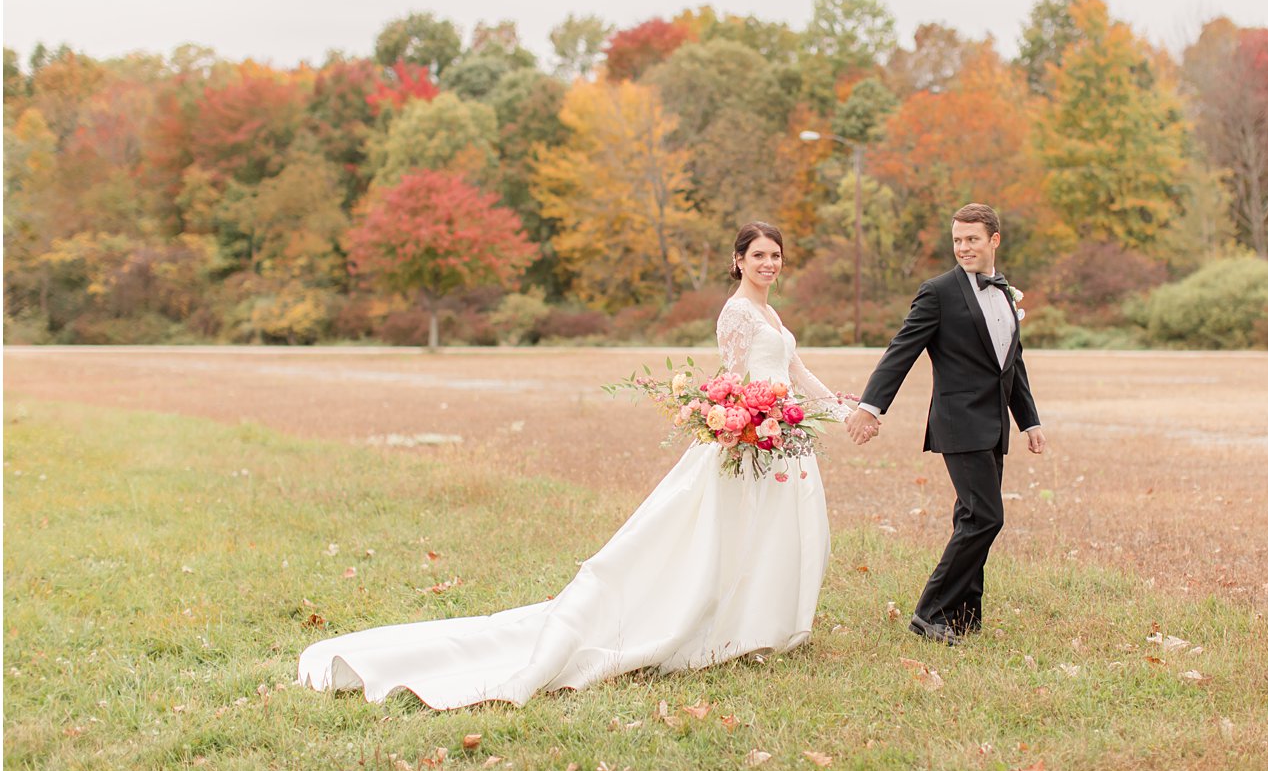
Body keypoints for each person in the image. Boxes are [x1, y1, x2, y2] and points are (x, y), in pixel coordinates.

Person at [298, 221, 849, 709]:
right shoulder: (736, 313)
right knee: (718, 538)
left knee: (767, 537)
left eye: (775, 255)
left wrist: (838, 406)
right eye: (759, 256)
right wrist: (751, 422)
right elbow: (731, 383)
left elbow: (793, 368)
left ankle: (754, 625)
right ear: (738, 261)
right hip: (746, 440)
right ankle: (711, 626)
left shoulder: (770, 311)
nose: (769, 264)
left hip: (777, 440)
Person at [845, 203, 1046, 646]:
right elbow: (902, 350)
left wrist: (1029, 421)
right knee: (986, 516)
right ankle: (929, 611)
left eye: (972, 239)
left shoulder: (1005, 293)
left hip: (994, 424)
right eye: (957, 240)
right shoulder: (937, 292)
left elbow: (1012, 364)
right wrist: (870, 407)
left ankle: (964, 614)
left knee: (970, 516)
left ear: (994, 240)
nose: (963, 248)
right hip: (958, 422)